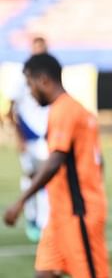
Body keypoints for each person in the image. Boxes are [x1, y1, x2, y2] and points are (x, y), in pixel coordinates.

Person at [3, 53, 110, 278]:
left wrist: (21, 202)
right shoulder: (70, 109)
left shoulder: (65, 110)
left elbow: (55, 161)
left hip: (78, 213)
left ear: (43, 80)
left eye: (30, 85)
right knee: (44, 273)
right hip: (59, 214)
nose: (31, 94)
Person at [4, 36, 50, 242]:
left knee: (46, 180)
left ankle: (43, 222)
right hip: (29, 138)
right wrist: (19, 137)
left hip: (47, 137)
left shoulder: (50, 74)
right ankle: (32, 219)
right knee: (31, 179)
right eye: (36, 48)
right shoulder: (21, 77)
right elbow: (8, 111)